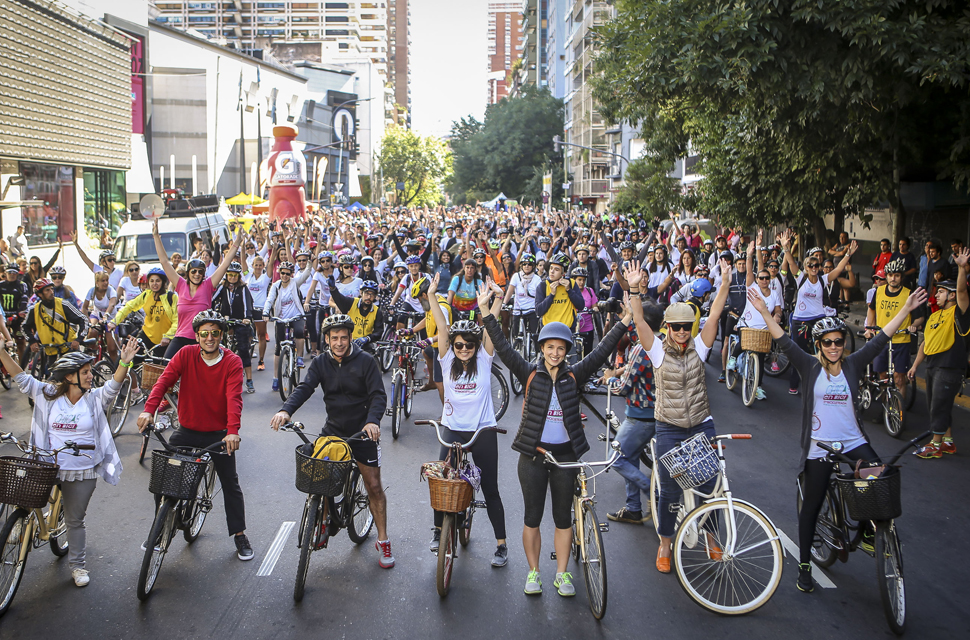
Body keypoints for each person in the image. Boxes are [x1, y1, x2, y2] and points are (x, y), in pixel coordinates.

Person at [748, 285, 926, 592]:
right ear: (819, 344)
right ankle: (804, 565)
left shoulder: (854, 364)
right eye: (828, 342)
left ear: (845, 344)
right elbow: (782, 339)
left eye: (839, 342)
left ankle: (871, 533)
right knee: (811, 507)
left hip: (853, 441)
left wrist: (907, 308)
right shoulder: (808, 365)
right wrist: (765, 311)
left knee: (878, 477)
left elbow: (883, 336)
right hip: (820, 447)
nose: (834, 347)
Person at [481, 277, 635, 597]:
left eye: (560, 348)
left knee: (563, 518)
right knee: (532, 517)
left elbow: (603, 349)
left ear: (566, 351)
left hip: (566, 456)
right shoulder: (530, 373)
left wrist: (626, 319)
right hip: (533, 456)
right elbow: (504, 347)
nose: (554, 352)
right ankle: (534, 572)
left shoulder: (574, 375)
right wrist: (485, 311)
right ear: (542, 349)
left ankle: (562, 574)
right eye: (549, 347)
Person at [623, 256, 732, 574]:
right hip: (668, 427)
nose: (682, 332)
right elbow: (640, 320)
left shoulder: (700, 347)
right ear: (667, 327)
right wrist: (633, 289)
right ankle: (665, 544)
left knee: (711, 484)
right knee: (669, 489)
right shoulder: (656, 349)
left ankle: (713, 537)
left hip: (701, 425)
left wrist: (724, 283)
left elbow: (714, 315)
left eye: (687, 327)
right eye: (676, 327)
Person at [1, 338, 138, 586]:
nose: (90, 376)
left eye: (90, 371)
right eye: (85, 372)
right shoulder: (47, 394)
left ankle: (77, 566)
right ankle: (23, 522)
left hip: (82, 471)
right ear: (69, 376)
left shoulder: (94, 398)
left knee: (75, 520)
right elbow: (20, 377)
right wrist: (1, 352)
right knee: (22, 494)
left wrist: (124, 363)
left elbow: (113, 387)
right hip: (48, 466)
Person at [270, 314, 394, 568]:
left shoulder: (366, 361)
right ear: (326, 339)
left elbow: (378, 396)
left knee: (373, 486)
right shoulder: (320, 363)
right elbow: (305, 388)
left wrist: (373, 422)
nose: (339, 342)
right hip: (333, 430)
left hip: (362, 433)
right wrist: (286, 410)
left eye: (343, 337)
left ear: (350, 338)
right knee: (320, 477)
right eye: (334, 338)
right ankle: (324, 517)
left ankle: (383, 540)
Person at [136, 310, 253, 561]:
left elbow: (234, 399)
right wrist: (148, 411)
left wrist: (232, 432)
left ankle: (240, 534)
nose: (209, 338)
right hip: (187, 430)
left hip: (219, 435)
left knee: (230, 484)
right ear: (197, 336)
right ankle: (162, 523)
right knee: (165, 476)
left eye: (214, 333)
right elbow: (163, 383)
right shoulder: (185, 354)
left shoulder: (232, 362)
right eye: (204, 334)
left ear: (221, 335)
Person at [426, 284, 508, 567]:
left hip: (483, 431)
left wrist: (493, 299)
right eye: (458, 344)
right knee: (441, 480)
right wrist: (431, 296)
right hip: (452, 429)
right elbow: (440, 323)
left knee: (490, 488)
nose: (462, 349)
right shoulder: (446, 358)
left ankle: (501, 544)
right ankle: (438, 531)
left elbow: (491, 325)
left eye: (468, 345)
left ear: (476, 347)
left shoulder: (484, 360)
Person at [601, 299, 664, 525]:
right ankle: (633, 508)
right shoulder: (663, 342)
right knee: (632, 457)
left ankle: (653, 492)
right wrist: (618, 371)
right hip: (660, 412)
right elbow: (632, 369)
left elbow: (624, 387)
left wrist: (609, 380)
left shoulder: (640, 348)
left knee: (615, 459)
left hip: (640, 414)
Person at [908, 248, 969, 458]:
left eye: (941, 292)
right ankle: (948, 442)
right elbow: (925, 343)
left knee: (938, 406)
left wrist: (961, 268)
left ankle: (935, 445)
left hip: (949, 366)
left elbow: (962, 292)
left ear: (951, 295)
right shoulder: (934, 316)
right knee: (938, 404)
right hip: (932, 366)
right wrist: (915, 366)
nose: (937, 295)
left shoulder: (959, 313)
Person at [781, 236, 857, 394]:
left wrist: (848, 255)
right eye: (811, 265)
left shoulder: (824, 280)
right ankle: (794, 385)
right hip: (800, 321)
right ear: (806, 267)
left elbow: (838, 270)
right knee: (799, 353)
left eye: (817, 265)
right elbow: (791, 262)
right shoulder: (800, 278)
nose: (814, 267)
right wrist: (786, 247)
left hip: (818, 319)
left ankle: (825, 383)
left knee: (825, 350)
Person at [865, 257, 923, 401]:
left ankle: (898, 410)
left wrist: (914, 326)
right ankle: (886, 407)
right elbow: (871, 310)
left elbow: (920, 318)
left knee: (899, 378)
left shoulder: (909, 294)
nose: (893, 278)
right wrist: (869, 328)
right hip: (881, 339)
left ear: (901, 277)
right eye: (890, 275)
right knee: (882, 376)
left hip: (901, 340)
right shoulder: (878, 291)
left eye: (896, 275)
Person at [264, 258, 313, 390]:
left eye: (287, 273)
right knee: (278, 348)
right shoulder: (276, 286)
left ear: (291, 274)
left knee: (299, 333)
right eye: (282, 273)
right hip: (281, 318)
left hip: (296, 315)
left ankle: (300, 358)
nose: (284, 276)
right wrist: (265, 312)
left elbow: (306, 273)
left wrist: (310, 262)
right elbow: (269, 300)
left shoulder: (294, 283)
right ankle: (276, 378)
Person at [110, 267, 177, 358]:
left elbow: (177, 320)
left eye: (158, 281)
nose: (154, 284)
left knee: (159, 367)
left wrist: (168, 336)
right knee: (127, 357)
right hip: (146, 335)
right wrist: (114, 321)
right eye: (152, 281)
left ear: (163, 282)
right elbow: (129, 306)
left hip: (164, 340)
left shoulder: (171, 297)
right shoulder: (146, 295)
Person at [212, 262, 256, 393]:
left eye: (235, 275)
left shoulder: (243, 288)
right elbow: (212, 299)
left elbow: (248, 303)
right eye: (229, 275)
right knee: (218, 346)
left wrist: (247, 317)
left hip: (240, 321)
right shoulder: (222, 287)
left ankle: (249, 380)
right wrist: (214, 313)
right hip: (225, 320)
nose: (232, 278)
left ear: (239, 276)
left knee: (243, 349)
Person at [23, 278, 86, 369]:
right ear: (40, 294)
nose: (51, 292)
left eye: (52, 289)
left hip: (68, 347)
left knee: (76, 375)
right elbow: (25, 327)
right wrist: (32, 341)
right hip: (50, 349)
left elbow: (83, 319)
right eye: (47, 290)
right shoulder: (35, 309)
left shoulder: (63, 304)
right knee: (52, 377)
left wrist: (79, 339)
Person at [536, 253, 583, 329]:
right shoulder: (543, 285)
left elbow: (581, 305)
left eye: (556, 269)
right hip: (549, 329)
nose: (552, 271)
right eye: (551, 268)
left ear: (563, 272)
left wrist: (569, 290)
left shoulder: (571, 283)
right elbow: (539, 311)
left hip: (567, 329)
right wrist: (551, 295)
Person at [244, 256, 271, 371]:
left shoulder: (265, 277)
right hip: (249, 309)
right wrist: (242, 245)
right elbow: (242, 261)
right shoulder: (248, 275)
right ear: (253, 265)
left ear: (263, 266)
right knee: (247, 335)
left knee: (261, 335)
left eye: (260, 265)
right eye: (256, 265)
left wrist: (273, 250)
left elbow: (272, 261)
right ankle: (246, 357)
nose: (258, 267)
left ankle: (261, 360)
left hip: (260, 309)